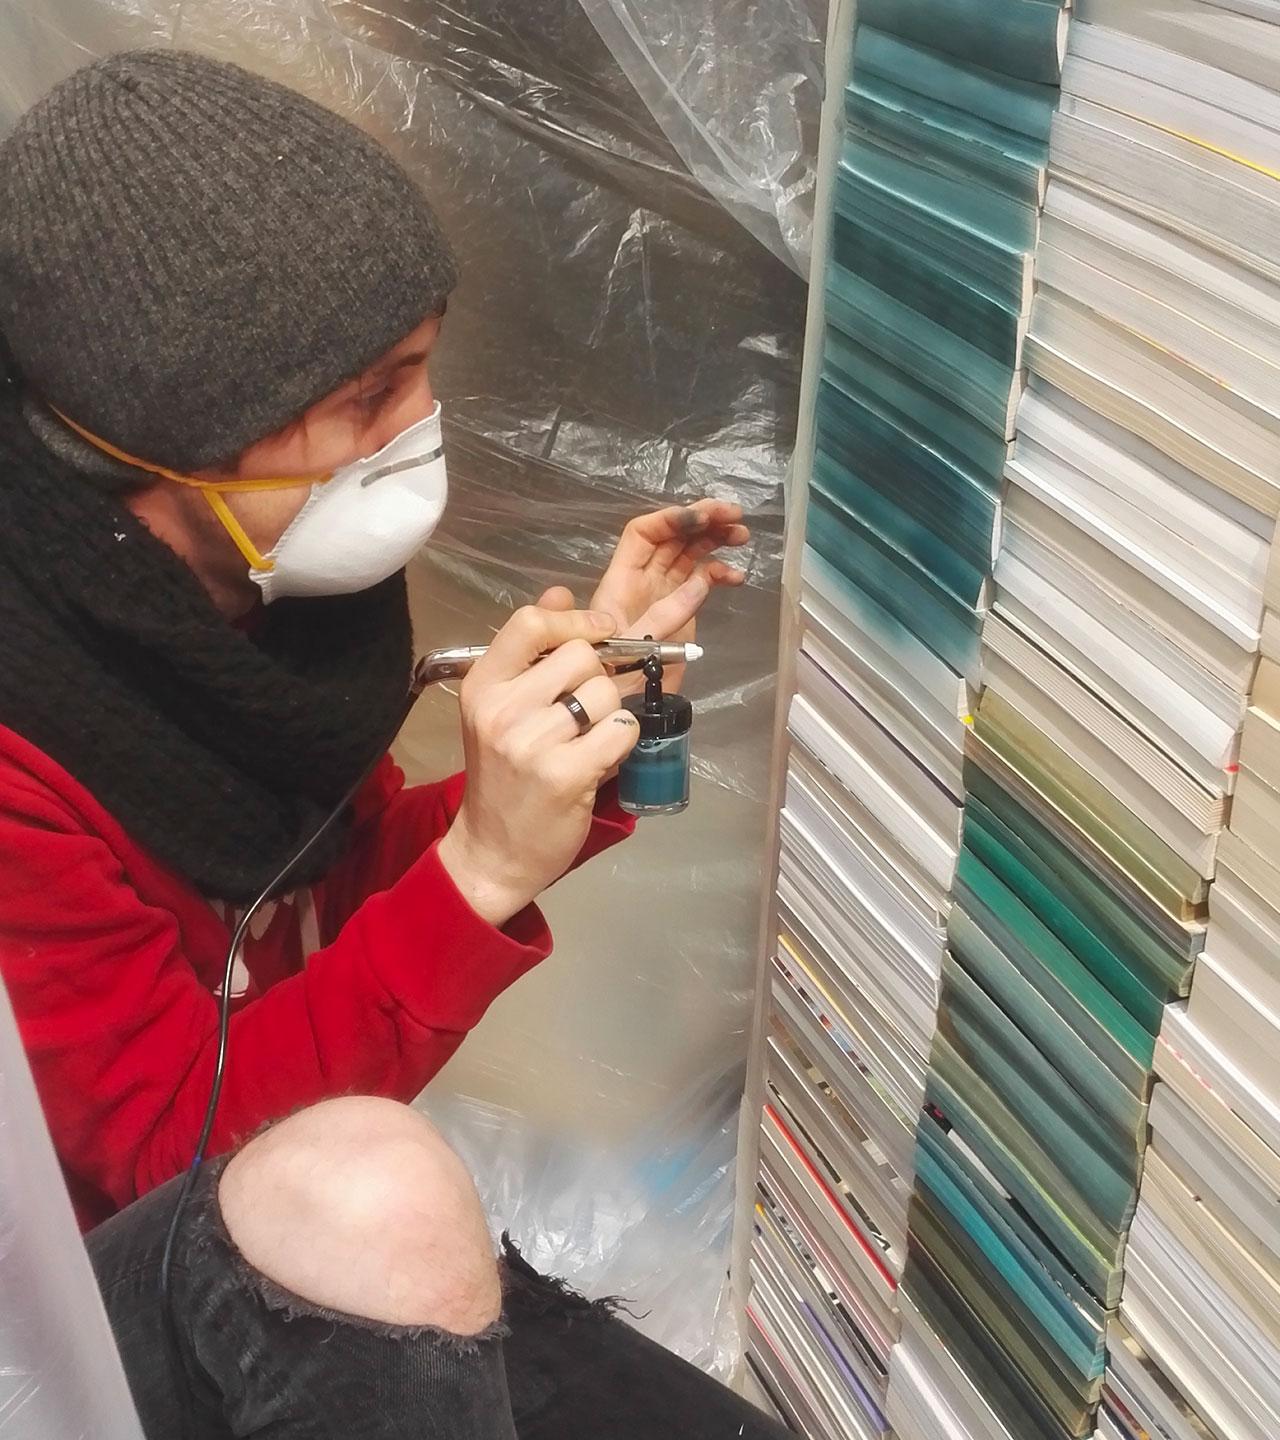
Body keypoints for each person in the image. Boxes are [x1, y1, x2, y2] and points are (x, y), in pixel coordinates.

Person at [0, 49, 787, 1439]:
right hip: (84, 1322)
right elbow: (179, 1154)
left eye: (425, 370)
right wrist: (480, 868)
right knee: (379, 1193)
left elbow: (336, 876)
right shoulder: (24, 750)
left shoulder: (261, 613)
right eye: (375, 396)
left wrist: (576, 729)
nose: (421, 433)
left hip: (269, 1208)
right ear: (176, 436)